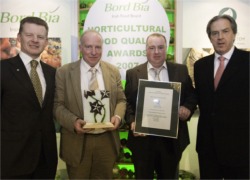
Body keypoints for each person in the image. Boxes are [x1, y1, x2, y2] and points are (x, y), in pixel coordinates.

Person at [53, 29, 126, 179]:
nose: (93, 52)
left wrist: (118, 117)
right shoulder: (64, 72)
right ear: (80, 48)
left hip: (106, 141)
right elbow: (57, 106)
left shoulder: (113, 71)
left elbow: (121, 100)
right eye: (88, 47)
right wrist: (73, 122)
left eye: (97, 47)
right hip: (77, 142)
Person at [125, 33, 197, 179]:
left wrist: (187, 108)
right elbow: (127, 103)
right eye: (152, 48)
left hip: (171, 142)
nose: (156, 52)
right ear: (146, 50)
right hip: (143, 140)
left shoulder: (181, 71)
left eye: (160, 47)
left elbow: (192, 95)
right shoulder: (133, 73)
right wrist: (132, 121)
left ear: (166, 49)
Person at [0, 17, 58, 179]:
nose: (35, 40)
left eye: (40, 37)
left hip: (45, 159)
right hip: (12, 159)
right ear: (19, 37)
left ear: (46, 42)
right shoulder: (2, 69)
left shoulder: (52, 73)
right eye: (29, 35)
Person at [194, 14, 249, 179]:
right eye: (214, 33)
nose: (220, 37)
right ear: (210, 37)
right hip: (207, 147)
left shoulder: (247, 62)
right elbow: (198, 97)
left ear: (234, 34)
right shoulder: (200, 66)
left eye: (225, 31)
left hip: (240, 147)